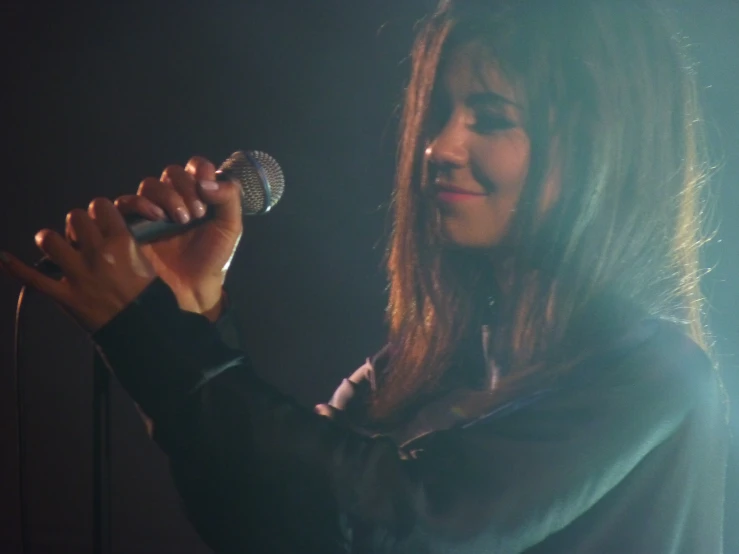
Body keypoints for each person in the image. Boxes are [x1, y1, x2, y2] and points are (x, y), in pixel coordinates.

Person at [0, 0, 729, 552]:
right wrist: (187, 317)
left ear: (598, 146)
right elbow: (276, 523)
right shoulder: (420, 369)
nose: (438, 146)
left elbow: (401, 522)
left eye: (490, 116)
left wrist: (155, 337)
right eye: (440, 112)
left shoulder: (654, 380)